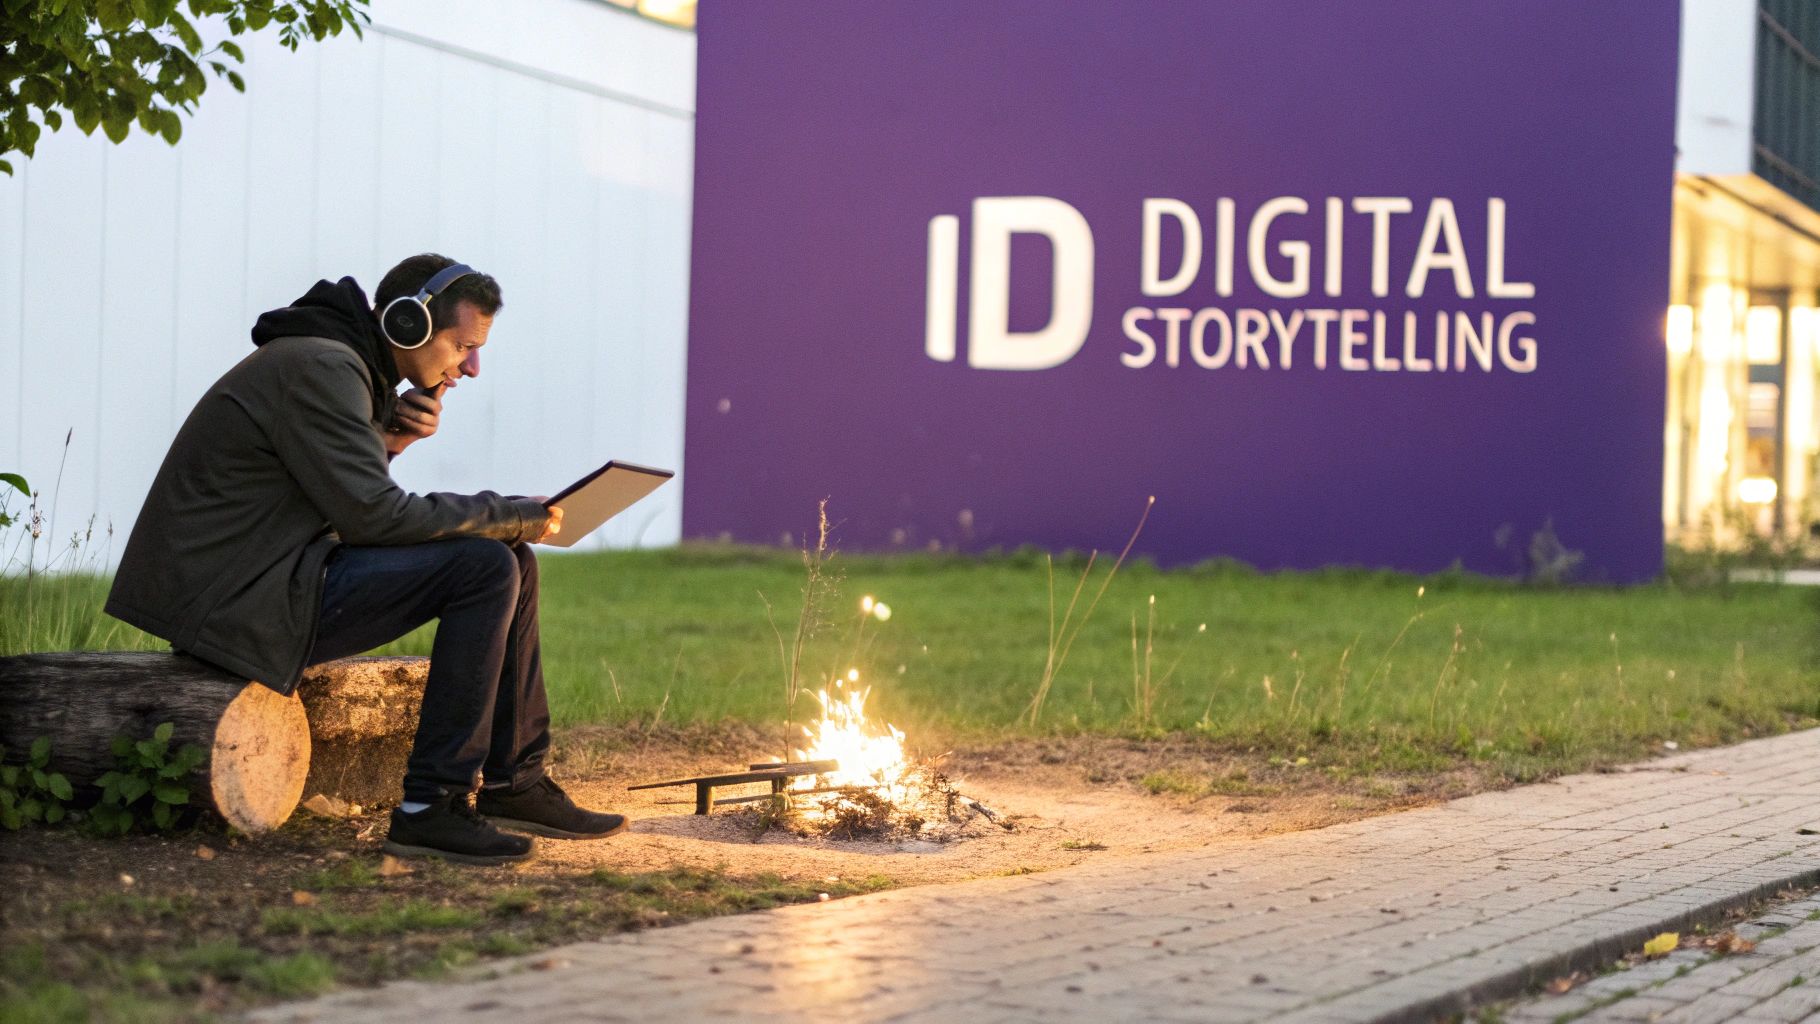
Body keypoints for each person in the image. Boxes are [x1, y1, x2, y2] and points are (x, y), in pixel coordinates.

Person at [106, 253, 626, 865]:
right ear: (409, 323)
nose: (472, 367)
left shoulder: (335, 363)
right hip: (236, 604)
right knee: (484, 566)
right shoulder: (323, 367)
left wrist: (394, 441)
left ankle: (513, 783)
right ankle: (429, 808)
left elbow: (329, 497)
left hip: (272, 579)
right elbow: (373, 517)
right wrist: (507, 511)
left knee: (509, 556)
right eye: (463, 346)